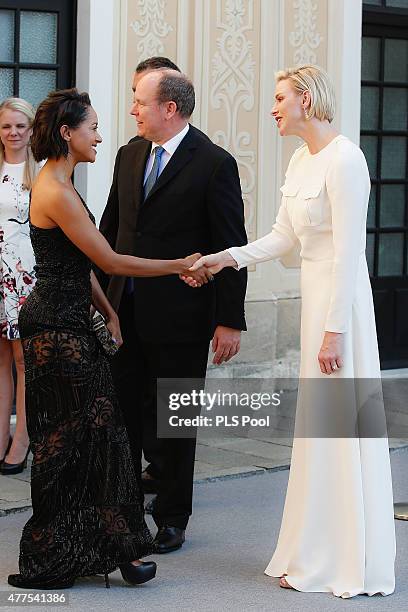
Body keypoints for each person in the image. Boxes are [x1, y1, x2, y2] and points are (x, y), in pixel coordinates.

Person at [189, 65, 396, 598]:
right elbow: (282, 238)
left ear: (305, 98)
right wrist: (222, 258)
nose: (274, 108)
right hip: (319, 307)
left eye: (280, 98)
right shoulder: (302, 158)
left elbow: (350, 252)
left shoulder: (346, 158)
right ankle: (314, 549)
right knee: (318, 430)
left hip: (342, 311)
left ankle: (345, 559)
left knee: (340, 428)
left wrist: (335, 332)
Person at [8, 88, 209, 591]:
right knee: (69, 446)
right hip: (57, 333)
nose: (99, 135)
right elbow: (111, 260)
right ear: (66, 133)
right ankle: (56, 558)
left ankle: (114, 551)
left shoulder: (64, 182)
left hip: (74, 324)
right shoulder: (53, 188)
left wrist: (108, 312)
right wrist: (180, 264)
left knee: (101, 442)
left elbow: (80, 263)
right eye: (91, 127)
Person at [98, 69, 247, 553]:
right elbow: (111, 229)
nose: (132, 110)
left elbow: (231, 246)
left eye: (139, 102)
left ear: (169, 109)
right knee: (124, 418)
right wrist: (97, 299)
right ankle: (122, 515)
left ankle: (172, 517)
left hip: (182, 317)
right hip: (125, 311)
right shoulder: (128, 154)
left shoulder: (214, 163)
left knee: (174, 422)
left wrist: (229, 319)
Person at [0, 98, 41, 475]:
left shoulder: (41, 174)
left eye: (19, 126)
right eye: (6, 127)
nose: (13, 133)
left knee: (22, 360)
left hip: (24, 276)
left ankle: (23, 439)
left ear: (31, 130)